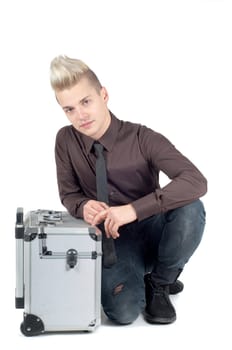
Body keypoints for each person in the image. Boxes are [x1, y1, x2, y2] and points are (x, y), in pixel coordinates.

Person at [50, 55, 207, 325]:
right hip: (115, 241)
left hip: (156, 230)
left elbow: (195, 180)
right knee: (122, 315)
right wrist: (82, 206)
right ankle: (150, 277)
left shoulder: (142, 137)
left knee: (192, 208)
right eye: (70, 109)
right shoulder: (65, 140)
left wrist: (133, 210)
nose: (80, 115)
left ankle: (160, 281)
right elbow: (68, 193)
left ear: (104, 95)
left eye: (86, 102)